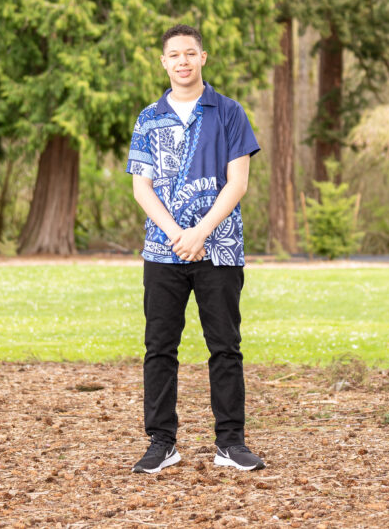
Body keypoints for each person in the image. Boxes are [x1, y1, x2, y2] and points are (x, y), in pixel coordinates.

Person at [126, 24, 265, 474]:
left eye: (191, 53)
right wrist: (175, 233)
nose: (183, 61)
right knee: (159, 348)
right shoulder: (148, 117)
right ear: (163, 62)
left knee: (225, 346)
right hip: (162, 252)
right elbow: (141, 187)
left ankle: (231, 443)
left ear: (203, 57)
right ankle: (161, 442)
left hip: (219, 249)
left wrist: (201, 232)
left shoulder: (229, 112)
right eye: (174, 55)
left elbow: (237, 182)